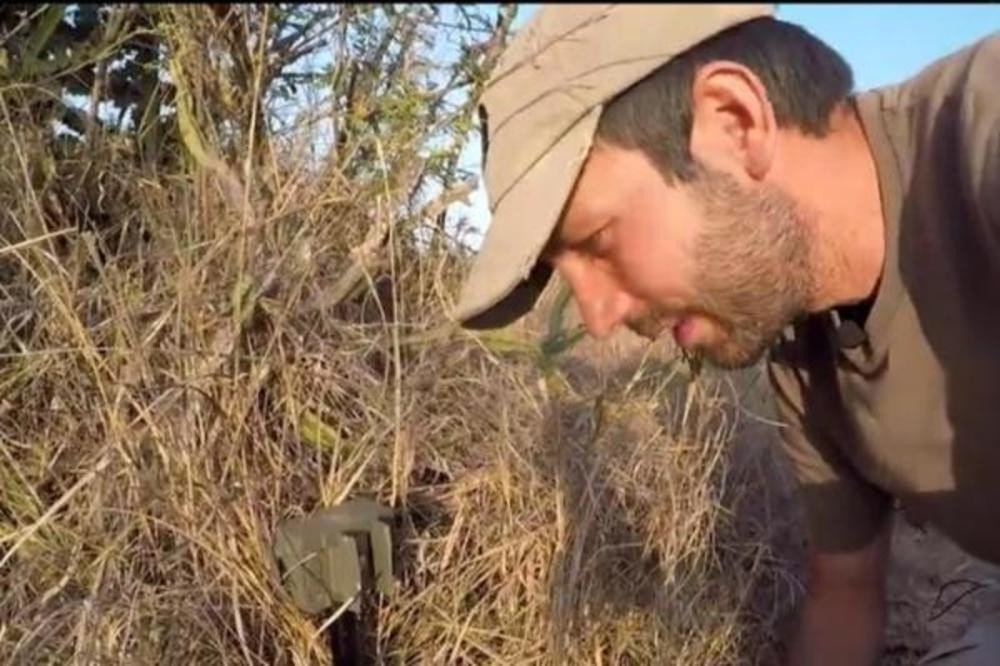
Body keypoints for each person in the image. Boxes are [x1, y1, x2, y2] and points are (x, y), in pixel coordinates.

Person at [453, 4, 1000, 665]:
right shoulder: (804, 359)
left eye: (597, 240)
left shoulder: (982, 129)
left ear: (735, 122)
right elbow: (843, 596)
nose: (595, 316)